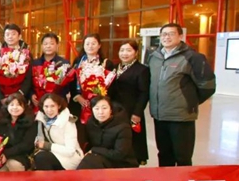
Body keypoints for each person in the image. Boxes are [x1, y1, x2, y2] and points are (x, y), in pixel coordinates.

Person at [148, 23, 216, 166]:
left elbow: (207, 86)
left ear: (180, 36)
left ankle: (183, 180)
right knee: (164, 154)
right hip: (159, 114)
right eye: (163, 34)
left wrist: (189, 101)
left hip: (181, 116)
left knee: (182, 156)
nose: (167, 37)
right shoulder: (154, 56)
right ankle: (166, 180)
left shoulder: (192, 57)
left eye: (171, 34)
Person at [108, 40, 150, 165]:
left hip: (132, 110)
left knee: (133, 138)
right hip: (115, 110)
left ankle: (134, 163)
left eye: (128, 50)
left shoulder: (142, 70)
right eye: (122, 50)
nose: (124, 53)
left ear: (136, 52)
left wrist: (137, 113)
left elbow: (144, 93)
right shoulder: (114, 68)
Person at [78, 96, 138, 169]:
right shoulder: (90, 124)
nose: (100, 112)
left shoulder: (123, 128)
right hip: (99, 159)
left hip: (122, 163)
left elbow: (119, 154)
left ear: (111, 110)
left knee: (91, 160)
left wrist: (95, 150)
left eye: (104, 108)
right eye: (96, 108)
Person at [69, 33, 114, 119]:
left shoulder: (106, 63)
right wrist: (78, 97)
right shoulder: (78, 62)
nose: (90, 46)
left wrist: (98, 98)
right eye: (87, 44)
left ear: (99, 45)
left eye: (93, 43)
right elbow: (71, 81)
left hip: (99, 105)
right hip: (78, 103)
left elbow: (111, 86)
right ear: (83, 46)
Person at [33, 93, 83, 170]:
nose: (49, 110)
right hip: (54, 154)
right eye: (46, 106)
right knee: (39, 156)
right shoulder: (42, 119)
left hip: (71, 159)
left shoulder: (67, 122)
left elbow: (70, 151)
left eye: (52, 106)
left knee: (42, 157)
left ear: (59, 106)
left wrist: (48, 146)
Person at [0, 93, 37, 171]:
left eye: (18, 105)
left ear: (24, 106)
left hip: (21, 155)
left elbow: (26, 145)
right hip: (1, 154)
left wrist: (6, 154)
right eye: (12, 105)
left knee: (13, 164)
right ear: (7, 106)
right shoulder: (1, 120)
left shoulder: (31, 122)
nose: (15, 107)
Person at [0, 23, 32, 111]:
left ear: (19, 36)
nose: (10, 37)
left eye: (13, 34)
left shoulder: (26, 54)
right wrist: (0, 97)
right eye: (7, 34)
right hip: (2, 99)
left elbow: (29, 76)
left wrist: (20, 94)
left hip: (21, 98)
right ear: (4, 37)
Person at [30, 32, 70, 107]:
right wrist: (31, 95)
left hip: (57, 103)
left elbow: (67, 86)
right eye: (45, 44)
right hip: (38, 102)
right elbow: (30, 82)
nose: (48, 46)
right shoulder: (34, 63)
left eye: (52, 44)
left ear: (57, 45)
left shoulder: (64, 63)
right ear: (41, 46)